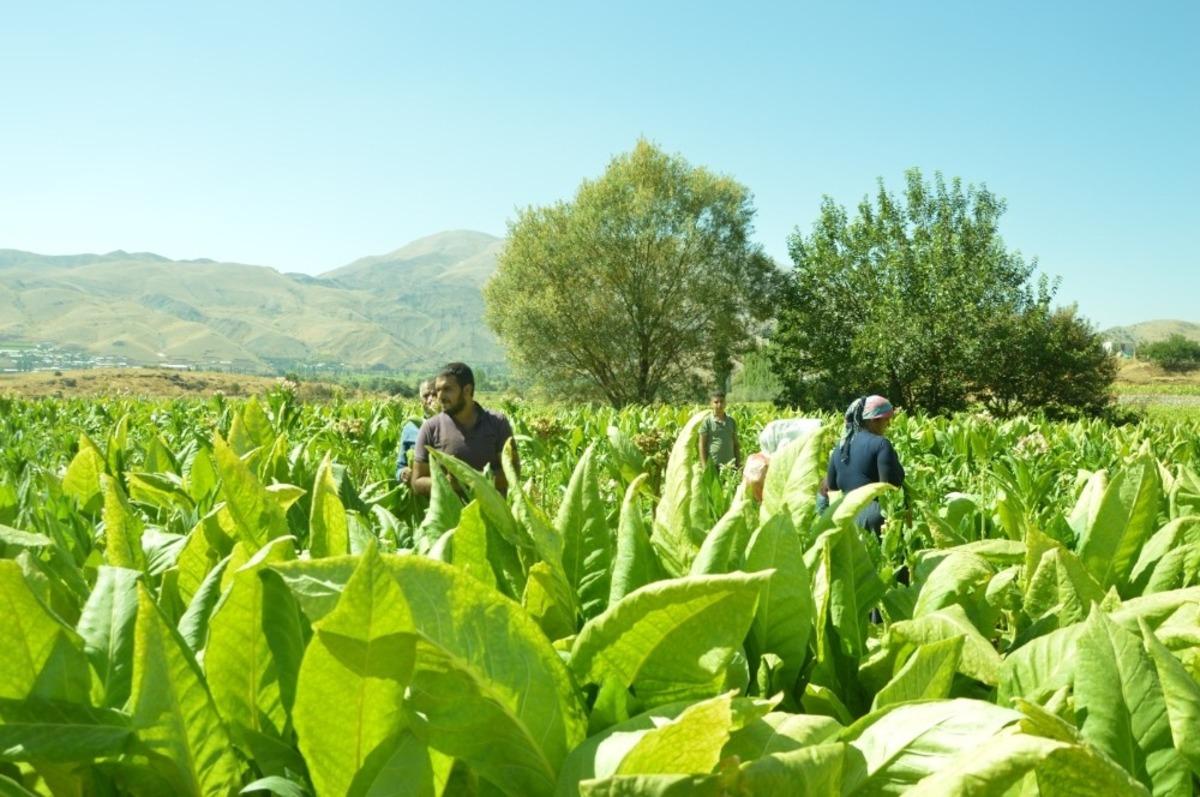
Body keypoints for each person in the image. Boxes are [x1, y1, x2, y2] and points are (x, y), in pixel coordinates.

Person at [410, 362, 517, 495]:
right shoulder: (430, 427)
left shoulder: (497, 423)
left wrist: (469, 479)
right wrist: (447, 484)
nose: (440, 397)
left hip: (492, 514)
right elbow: (417, 482)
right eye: (438, 390)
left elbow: (513, 472)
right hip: (451, 514)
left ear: (467, 390)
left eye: (447, 389)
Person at [824, 394, 904, 534]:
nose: (889, 425)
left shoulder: (841, 447)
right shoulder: (881, 444)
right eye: (887, 420)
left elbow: (831, 486)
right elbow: (889, 486)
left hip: (844, 517)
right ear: (874, 420)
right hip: (872, 516)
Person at [396, 378, 438, 483]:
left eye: (434, 395)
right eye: (426, 396)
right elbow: (400, 467)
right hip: (421, 493)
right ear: (420, 400)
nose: (430, 400)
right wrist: (403, 473)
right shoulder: (410, 427)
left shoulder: (452, 425)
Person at [698, 391, 741, 471]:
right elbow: (702, 445)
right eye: (716, 402)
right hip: (714, 465)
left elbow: (736, 444)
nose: (719, 405)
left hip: (730, 465)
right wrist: (704, 465)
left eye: (721, 401)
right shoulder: (707, 422)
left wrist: (738, 463)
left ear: (725, 403)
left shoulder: (731, 421)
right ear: (711, 404)